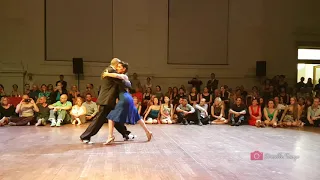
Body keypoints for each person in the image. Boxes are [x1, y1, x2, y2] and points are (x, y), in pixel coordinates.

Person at [80, 58, 133, 144]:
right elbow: (124, 82)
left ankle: (125, 134)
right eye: (119, 65)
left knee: (115, 119)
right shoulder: (111, 71)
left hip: (109, 100)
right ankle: (85, 136)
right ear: (116, 65)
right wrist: (128, 83)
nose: (120, 67)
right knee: (99, 120)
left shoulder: (108, 71)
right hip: (106, 100)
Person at [102, 61, 152, 144]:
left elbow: (117, 75)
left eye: (119, 67)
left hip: (125, 98)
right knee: (137, 116)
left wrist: (107, 74)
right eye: (117, 66)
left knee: (111, 117)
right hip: (128, 98)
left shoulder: (124, 76)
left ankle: (110, 136)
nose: (117, 68)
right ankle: (148, 132)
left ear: (124, 69)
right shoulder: (122, 78)